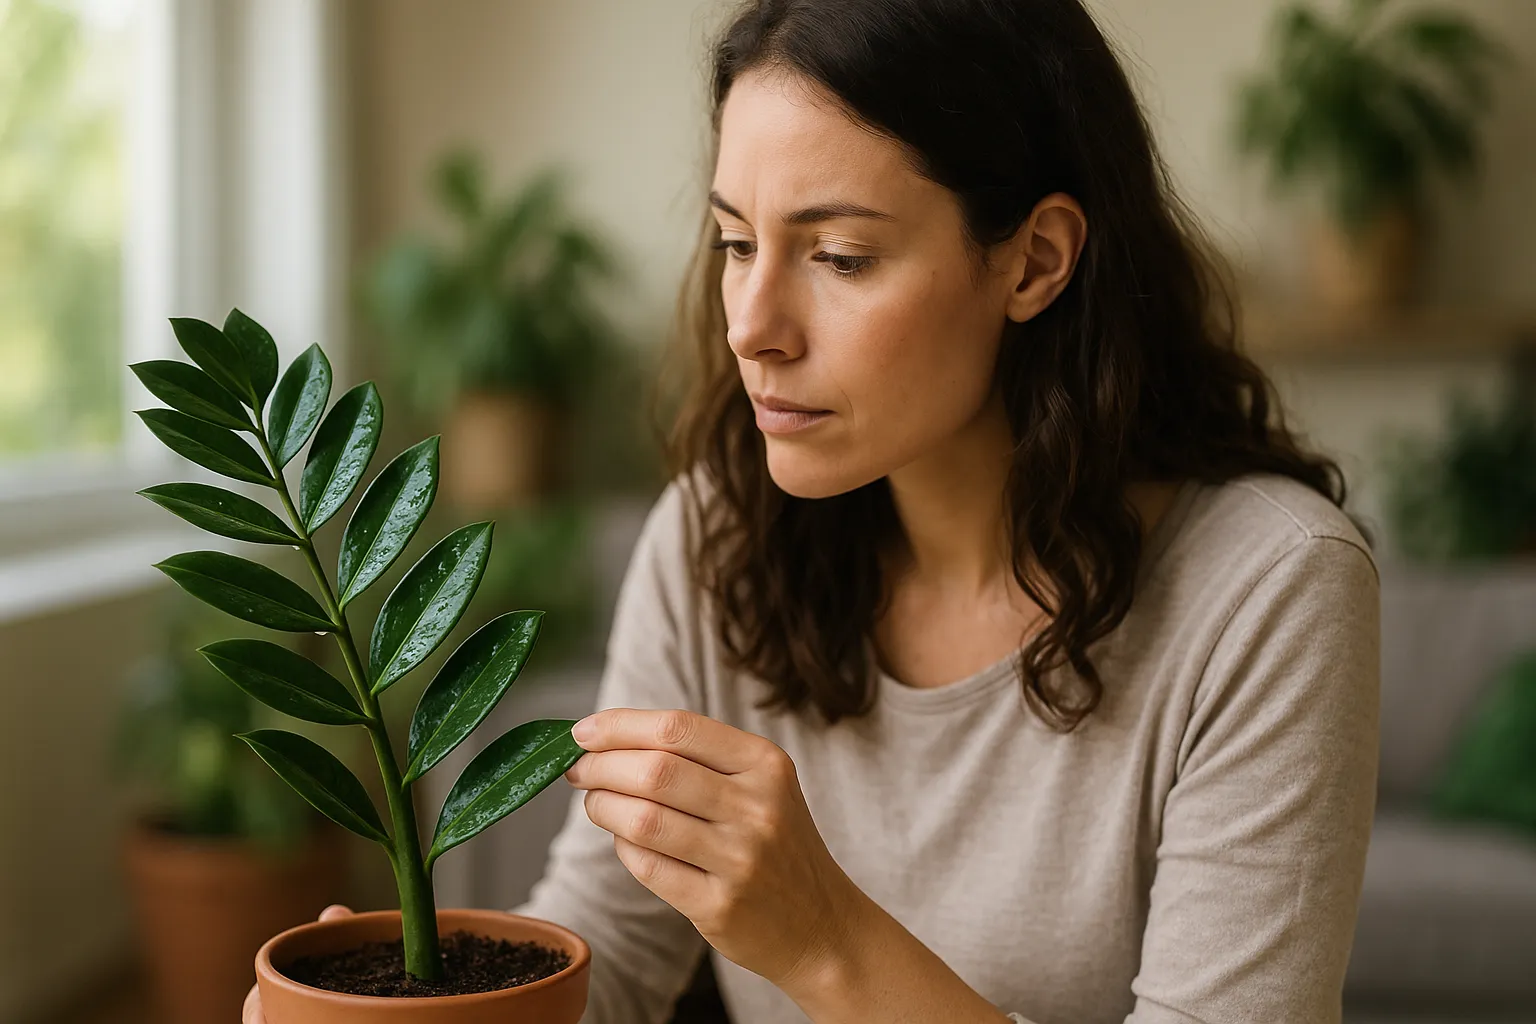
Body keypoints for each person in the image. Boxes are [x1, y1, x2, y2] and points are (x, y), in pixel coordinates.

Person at [246, 0, 1380, 1021]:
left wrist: (828, 940)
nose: (752, 323)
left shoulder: (1271, 587)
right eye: (738, 243)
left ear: (1035, 261)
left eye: (839, 255)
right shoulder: (713, 539)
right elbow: (612, 963)